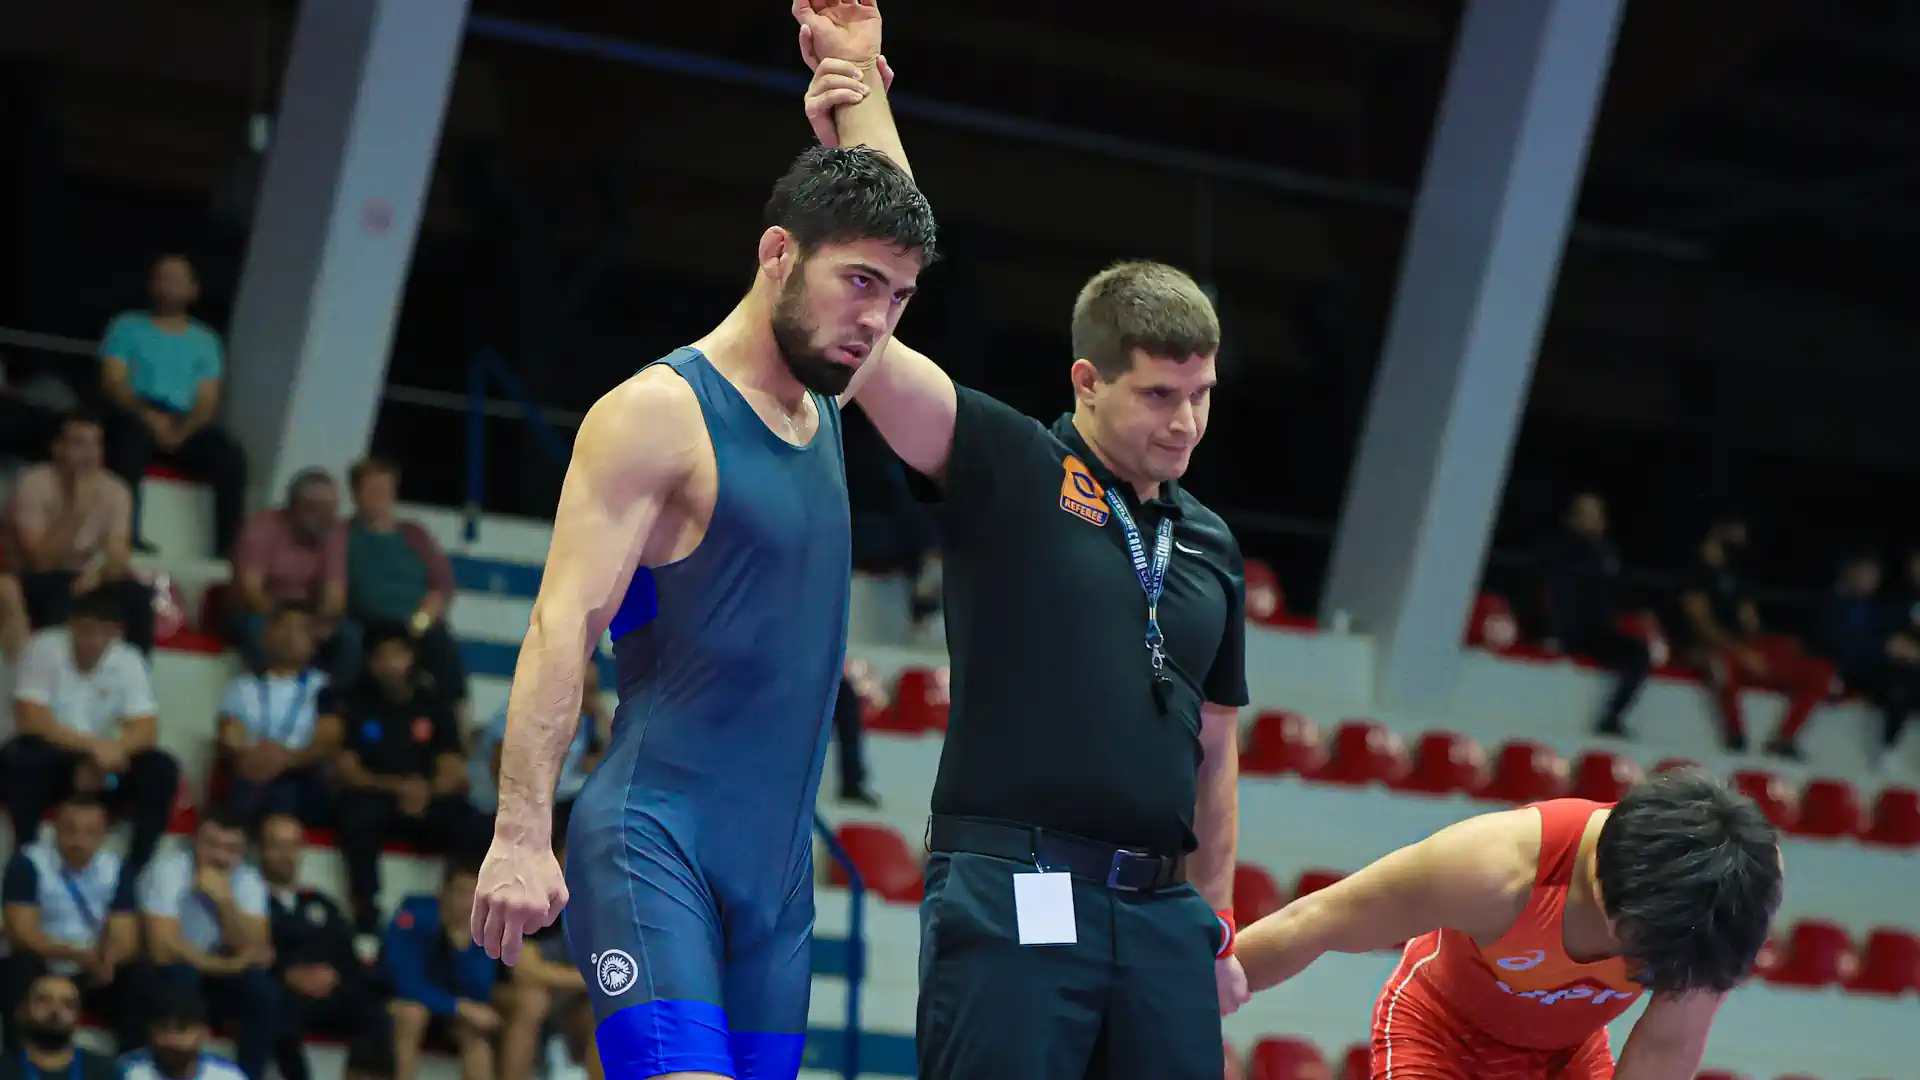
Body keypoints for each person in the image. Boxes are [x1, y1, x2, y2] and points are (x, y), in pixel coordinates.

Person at [797, 7, 1249, 1079]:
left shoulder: (1211, 542)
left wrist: (1215, 920)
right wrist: (860, 106)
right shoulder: (1010, 466)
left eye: (1202, 397)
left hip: (1160, 915)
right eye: (1158, 395)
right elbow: (868, 344)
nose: (1184, 422)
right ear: (1087, 381)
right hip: (1016, 887)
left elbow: (1215, 748)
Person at [469, 136, 938, 1080]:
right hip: (654, 841)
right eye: (858, 284)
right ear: (776, 255)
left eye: (897, 298)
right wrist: (519, 832)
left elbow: (888, 210)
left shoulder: (827, 411)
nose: (877, 320)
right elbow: (563, 623)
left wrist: (857, 88)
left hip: (779, 886)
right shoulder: (658, 415)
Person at [1234, 770, 1782, 1080]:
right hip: (1442, 1035)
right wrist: (1178, 1001)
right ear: (1617, 916)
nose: (1656, 977)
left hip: (1567, 1057)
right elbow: (1315, 922)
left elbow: (1667, 1049)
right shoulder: (1491, 869)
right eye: (1650, 958)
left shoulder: (1722, 898)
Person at [8, 589, 180, 873]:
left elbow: (146, 728)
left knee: (161, 768)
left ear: (117, 634)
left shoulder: (128, 659)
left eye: (103, 633)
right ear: (71, 626)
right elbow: (31, 719)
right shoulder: (43, 647)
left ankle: (137, 868)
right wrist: (91, 748)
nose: (93, 641)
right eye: (85, 631)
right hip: (56, 768)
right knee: (26, 757)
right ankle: (24, 855)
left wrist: (113, 752)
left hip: (106, 772)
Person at [334, 624, 486, 935]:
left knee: (475, 824)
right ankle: (366, 908)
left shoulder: (433, 703)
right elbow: (346, 769)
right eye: (382, 656)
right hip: (376, 795)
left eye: (398, 654)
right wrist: (397, 788)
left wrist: (426, 790)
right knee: (358, 818)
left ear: (412, 658)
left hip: (426, 800)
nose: (390, 663)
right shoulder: (355, 702)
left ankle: (464, 908)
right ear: (370, 662)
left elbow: (453, 765)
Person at [96, 253, 247, 556]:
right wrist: (147, 416)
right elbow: (114, 381)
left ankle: (228, 548)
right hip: (135, 412)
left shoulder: (206, 340)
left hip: (184, 421)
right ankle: (126, 534)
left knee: (230, 455)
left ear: (193, 290)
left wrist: (182, 430)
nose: (167, 286)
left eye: (176, 280)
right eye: (161, 278)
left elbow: (207, 398)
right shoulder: (125, 326)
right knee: (128, 438)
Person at [133, 807, 279, 1080]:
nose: (220, 856)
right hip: (167, 973)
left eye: (231, 848)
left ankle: (249, 1076)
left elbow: (259, 952)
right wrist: (231, 963)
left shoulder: (248, 879)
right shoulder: (169, 869)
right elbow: (162, 949)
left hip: (214, 974)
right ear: (195, 842)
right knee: (180, 974)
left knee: (262, 991)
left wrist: (223, 903)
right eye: (211, 844)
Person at [1674, 516, 1834, 757]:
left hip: (1741, 648)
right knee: (1719, 665)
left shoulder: (1735, 572)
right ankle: (1735, 736)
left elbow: (1751, 622)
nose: (1743, 537)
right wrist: (1741, 652)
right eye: (1738, 530)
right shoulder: (1694, 568)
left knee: (1819, 672)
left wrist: (1770, 648)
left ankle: (1784, 739)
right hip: (1704, 648)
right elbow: (1701, 624)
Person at [4, 410, 155, 652]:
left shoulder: (116, 490)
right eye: (79, 444)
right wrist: (77, 509)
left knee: (137, 597)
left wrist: (100, 573)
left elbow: (118, 553)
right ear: (58, 448)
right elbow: (40, 561)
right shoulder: (33, 483)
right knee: (57, 592)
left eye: (96, 444)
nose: (90, 454)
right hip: (37, 579)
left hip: (90, 575)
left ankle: (136, 681)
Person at [0, 795, 141, 1049]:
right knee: (18, 965)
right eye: (70, 830)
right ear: (54, 829)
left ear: (103, 835)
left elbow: (126, 935)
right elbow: (22, 933)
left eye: (90, 832)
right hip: (43, 961)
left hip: (90, 968)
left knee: (138, 974)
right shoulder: (29, 862)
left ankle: (130, 1064)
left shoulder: (117, 869)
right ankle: (16, 1062)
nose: (79, 840)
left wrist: (108, 960)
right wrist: (75, 954)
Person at [332, 457, 468, 711]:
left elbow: (441, 585)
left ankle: (455, 729)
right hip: (366, 622)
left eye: (385, 490)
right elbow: (335, 582)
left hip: (416, 624)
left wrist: (418, 624)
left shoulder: (414, 533)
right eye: (372, 490)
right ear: (355, 493)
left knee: (442, 644)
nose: (380, 497)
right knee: (348, 643)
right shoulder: (342, 534)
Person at [258, 813, 377, 1080]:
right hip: (285, 993)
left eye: (292, 845)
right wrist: (287, 975)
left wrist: (335, 975)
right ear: (261, 849)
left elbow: (348, 957)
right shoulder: (251, 901)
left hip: (329, 993)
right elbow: (252, 954)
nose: (285, 854)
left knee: (375, 1010)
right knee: (274, 1006)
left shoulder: (320, 903)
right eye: (276, 845)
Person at [215, 602, 344, 823]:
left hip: (303, 776)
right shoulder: (242, 686)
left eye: (300, 630)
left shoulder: (325, 687)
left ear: (314, 643)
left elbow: (328, 740)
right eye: (283, 627)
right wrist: (254, 755)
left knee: (281, 792)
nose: (290, 636)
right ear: (266, 636)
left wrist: (285, 759)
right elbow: (229, 735)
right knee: (245, 786)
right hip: (253, 771)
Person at [228, 469, 360, 682]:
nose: (327, 517)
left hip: (308, 613)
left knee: (349, 636)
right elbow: (250, 590)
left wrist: (313, 623)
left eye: (331, 509)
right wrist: (288, 624)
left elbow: (335, 595)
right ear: (296, 506)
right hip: (259, 609)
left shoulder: (334, 531)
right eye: (318, 509)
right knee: (258, 629)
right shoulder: (262, 526)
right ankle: (273, 694)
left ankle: (332, 706)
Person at [1538, 492, 1651, 738]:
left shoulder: (1608, 552)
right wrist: (1556, 634)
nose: (1592, 520)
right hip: (1574, 630)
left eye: (1596, 514)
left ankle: (1612, 717)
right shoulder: (1561, 550)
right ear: (1572, 519)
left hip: (1602, 631)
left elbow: (1619, 593)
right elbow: (1556, 596)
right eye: (1585, 514)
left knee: (1639, 653)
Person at [388, 858, 508, 1080]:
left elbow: (480, 991)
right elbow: (405, 983)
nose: (467, 903)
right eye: (461, 893)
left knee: (476, 1037)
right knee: (412, 1015)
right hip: (401, 1003)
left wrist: (462, 948)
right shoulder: (415, 915)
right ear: (444, 892)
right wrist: (458, 1006)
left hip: (450, 1011)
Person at [468, 662, 607, 845]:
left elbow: (602, 763)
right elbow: (503, 773)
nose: (591, 697)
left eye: (594, 690)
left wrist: (599, 713)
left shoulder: (575, 720)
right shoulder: (523, 711)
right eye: (587, 689)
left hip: (551, 804)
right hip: (496, 810)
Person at [1812, 550, 1920, 768]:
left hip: (1881, 668)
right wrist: (1884, 647)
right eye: (1867, 573)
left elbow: (1897, 640)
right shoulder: (1830, 604)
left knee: (1907, 679)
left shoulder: (1878, 609)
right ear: (1849, 571)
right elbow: (1833, 645)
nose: (1872, 581)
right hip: (1851, 669)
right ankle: (1887, 750)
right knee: (1899, 684)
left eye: (1876, 575)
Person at [0, 973, 123, 1080]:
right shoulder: (4, 1069)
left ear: (78, 1016)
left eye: (68, 1004)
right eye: (43, 1000)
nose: (55, 1011)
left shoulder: (104, 1071)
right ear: (21, 1011)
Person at [119, 993, 249, 1080]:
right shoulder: (125, 1072)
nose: (170, 1038)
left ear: (203, 1034)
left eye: (182, 1029)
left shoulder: (227, 1076)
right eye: (163, 1028)